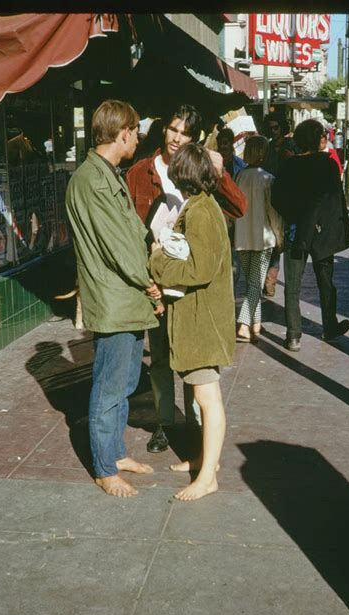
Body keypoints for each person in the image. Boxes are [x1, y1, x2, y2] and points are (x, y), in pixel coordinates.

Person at [126, 104, 247, 454]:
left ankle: (197, 429)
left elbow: (239, 207)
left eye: (185, 133)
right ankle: (165, 423)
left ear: (194, 139)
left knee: (195, 359)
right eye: (173, 130)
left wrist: (218, 171)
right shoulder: (141, 171)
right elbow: (131, 227)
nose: (177, 138)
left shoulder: (200, 173)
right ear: (164, 130)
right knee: (160, 357)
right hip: (158, 279)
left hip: (190, 285)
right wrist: (147, 278)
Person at [65, 99, 163, 498]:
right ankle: (105, 468)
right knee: (109, 386)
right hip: (116, 297)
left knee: (123, 381)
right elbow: (118, 245)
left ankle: (115, 453)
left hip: (126, 298)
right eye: (136, 131)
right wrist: (149, 281)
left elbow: (130, 232)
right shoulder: (92, 180)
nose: (138, 138)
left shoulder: (106, 174)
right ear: (123, 132)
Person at [149, 143, 235, 501]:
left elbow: (199, 269)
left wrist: (158, 263)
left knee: (206, 396)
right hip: (202, 318)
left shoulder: (200, 211)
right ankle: (204, 459)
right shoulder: (201, 206)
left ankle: (208, 477)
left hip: (204, 322)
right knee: (203, 397)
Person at [271, 118, 349, 352]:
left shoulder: (289, 166)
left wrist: (294, 216)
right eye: (321, 136)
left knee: (293, 286)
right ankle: (329, 326)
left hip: (296, 232)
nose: (323, 139)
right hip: (321, 232)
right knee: (326, 282)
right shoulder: (327, 165)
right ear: (316, 139)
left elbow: (276, 197)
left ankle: (293, 335)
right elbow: (333, 201)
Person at [233, 135, 284, 342]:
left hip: (242, 237)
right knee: (255, 284)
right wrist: (280, 237)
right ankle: (244, 325)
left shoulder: (238, 177)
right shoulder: (267, 179)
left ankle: (256, 324)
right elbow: (273, 213)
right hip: (263, 238)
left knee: (251, 282)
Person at [262, 114, 298, 298]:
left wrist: (291, 158)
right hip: (269, 197)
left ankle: (271, 279)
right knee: (273, 239)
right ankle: (269, 279)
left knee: (282, 240)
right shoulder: (267, 147)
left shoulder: (290, 145)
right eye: (270, 128)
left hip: (287, 198)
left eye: (276, 127)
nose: (273, 131)